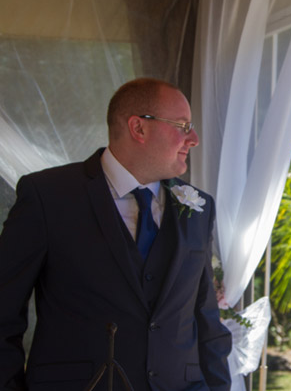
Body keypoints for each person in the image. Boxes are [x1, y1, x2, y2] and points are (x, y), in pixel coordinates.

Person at [0, 78, 232, 391]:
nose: (194, 138)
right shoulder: (47, 196)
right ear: (138, 128)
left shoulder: (199, 208)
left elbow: (206, 319)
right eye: (182, 125)